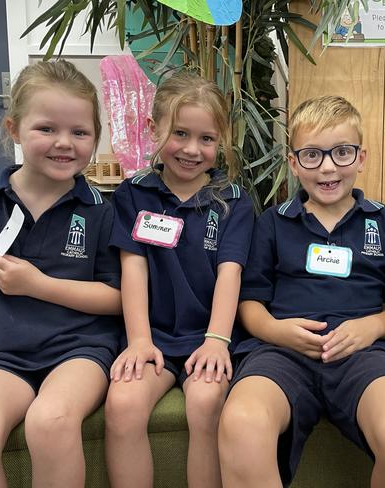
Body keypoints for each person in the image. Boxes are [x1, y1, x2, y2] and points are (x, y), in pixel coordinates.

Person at [219, 95, 385, 488]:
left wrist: (372, 327)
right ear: (293, 161)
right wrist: (275, 331)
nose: (329, 166)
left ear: (361, 157)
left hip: (363, 354)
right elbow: (250, 302)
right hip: (280, 353)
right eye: (313, 155)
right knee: (241, 423)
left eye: (342, 152)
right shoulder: (272, 223)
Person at [0, 60, 122, 487]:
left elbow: (119, 297)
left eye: (80, 132)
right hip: (4, 357)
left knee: (51, 420)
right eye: (46, 128)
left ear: (95, 137)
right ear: (13, 129)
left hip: (81, 351)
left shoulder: (101, 211)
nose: (64, 143)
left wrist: (38, 286)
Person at [105, 71, 254, 488]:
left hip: (210, 336)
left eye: (206, 139)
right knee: (122, 405)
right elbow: (132, 268)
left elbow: (231, 273)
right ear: (153, 129)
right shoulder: (132, 194)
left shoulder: (234, 202)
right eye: (180, 133)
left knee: (205, 403)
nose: (192, 149)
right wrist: (138, 340)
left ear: (221, 141)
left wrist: (217, 340)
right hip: (151, 336)